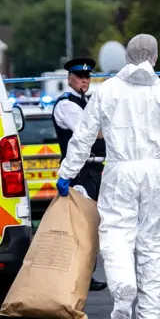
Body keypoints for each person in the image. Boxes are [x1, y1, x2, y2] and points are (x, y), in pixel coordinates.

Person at [56, 34, 160, 319]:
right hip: (154, 172)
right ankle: (151, 317)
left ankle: (123, 287)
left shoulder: (107, 91)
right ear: (155, 57)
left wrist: (66, 172)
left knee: (115, 233)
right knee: (154, 243)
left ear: (126, 56)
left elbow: (84, 135)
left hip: (118, 170)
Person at [52, 57, 108, 292]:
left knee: (93, 225)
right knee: (81, 226)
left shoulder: (89, 102)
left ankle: (86, 272)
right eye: (79, 77)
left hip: (95, 169)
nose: (84, 81)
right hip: (79, 171)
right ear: (69, 78)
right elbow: (89, 134)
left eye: (87, 77)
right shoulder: (66, 104)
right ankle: (76, 274)